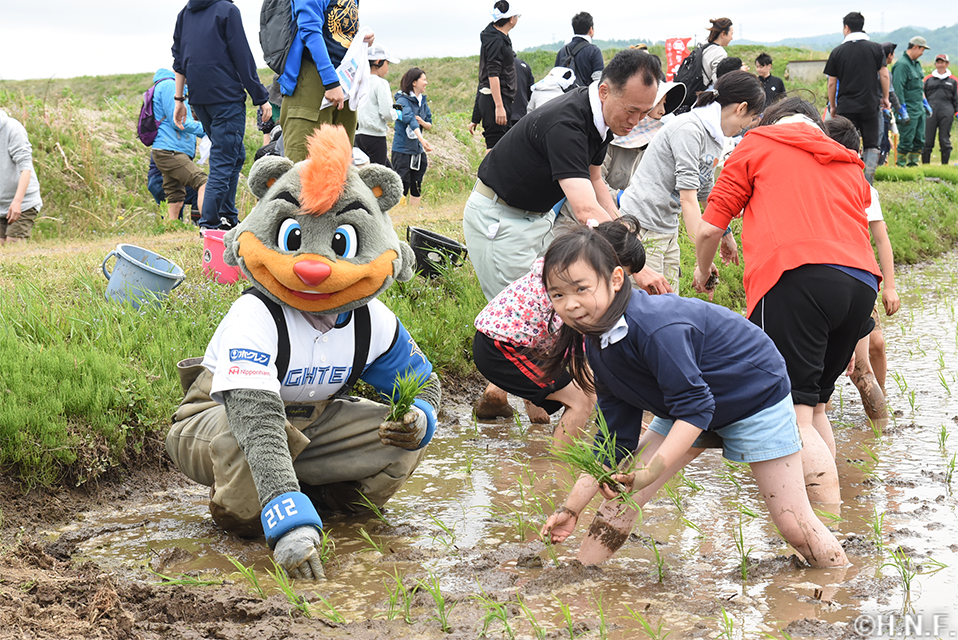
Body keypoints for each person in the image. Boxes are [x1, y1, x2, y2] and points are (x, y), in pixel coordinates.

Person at [166, 125, 441, 581]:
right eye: (295, 240)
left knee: (399, 434)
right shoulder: (255, 314)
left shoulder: (374, 319)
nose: (313, 267)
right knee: (249, 473)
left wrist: (420, 418)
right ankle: (267, 508)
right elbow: (256, 419)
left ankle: (326, 503)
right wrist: (286, 520)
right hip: (216, 420)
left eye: (339, 245)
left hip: (312, 420)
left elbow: (425, 383)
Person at [538, 227, 849, 569]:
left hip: (751, 393)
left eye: (581, 289)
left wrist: (649, 471)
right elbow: (613, 441)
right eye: (557, 295)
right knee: (622, 499)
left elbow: (696, 408)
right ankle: (580, 576)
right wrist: (570, 509)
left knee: (793, 524)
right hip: (689, 399)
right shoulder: (600, 343)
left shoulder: (656, 328)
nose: (570, 304)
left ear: (614, 279)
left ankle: (839, 581)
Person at [693, 96, 881, 506]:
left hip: (795, 278)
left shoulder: (755, 145)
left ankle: (823, 531)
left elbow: (710, 229)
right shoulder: (848, 160)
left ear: (772, 123)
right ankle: (836, 516)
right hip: (860, 283)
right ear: (817, 126)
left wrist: (700, 271)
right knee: (816, 409)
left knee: (793, 413)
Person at [461, 47, 670, 302]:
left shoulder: (601, 119)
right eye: (631, 110)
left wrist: (619, 226)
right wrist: (637, 267)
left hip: (539, 219)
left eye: (644, 112)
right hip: (502, 219)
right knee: (522, 316)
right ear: (604, 91)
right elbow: (585, 210)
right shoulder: (567, 124)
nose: (636, 120)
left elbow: (595, 182)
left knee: (555, 306)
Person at [473, 216, 646, 439]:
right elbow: (581, 360)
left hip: (513, 342)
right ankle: (561, 469)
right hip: (501, 348)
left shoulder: (565, 264)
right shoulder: (575, 290)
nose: (619, 288)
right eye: (619, 277)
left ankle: (539, 428)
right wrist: (621, 409)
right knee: (582, 401)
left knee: (582, 394)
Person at [617, 70, 764, 291]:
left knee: (669, 300)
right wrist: (701, 259)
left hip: (666, 227)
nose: (743, 128)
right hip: (642, 226)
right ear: (741, 108)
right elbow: (688, 199)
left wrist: (726, 234)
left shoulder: (714, 137)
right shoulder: (689, 129)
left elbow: (706, 192)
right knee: (649, 304)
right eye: (748, 120)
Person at [824, 116, 900, 423]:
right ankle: (825, 421)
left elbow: (881, 239)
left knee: (872, 352)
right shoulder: (811, 184)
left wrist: (890, 287)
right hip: (825, 279)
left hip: (858, 276)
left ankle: (879, 429)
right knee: (824, 362)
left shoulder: (862, 187)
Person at [172, 0, 272, 231]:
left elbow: (179, 62)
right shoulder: (227, 11)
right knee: (223, 161)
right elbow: (242, 56)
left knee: (235, 155)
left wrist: (180, 100)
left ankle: (227, 216)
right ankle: (209, 225)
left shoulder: (185, 13)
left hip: (200, 101)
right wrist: (260, 97)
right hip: (225, 98)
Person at [278, 0, 376, 162]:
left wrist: (362, 39)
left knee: (340, 169)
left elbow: (336, 33)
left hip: (345, 84)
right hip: (313, 79)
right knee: (302, 170)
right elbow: (309, 29)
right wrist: (330, 82)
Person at [823, 11, 890, 183]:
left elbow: (831, 83)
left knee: (844, 144)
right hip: (870, 106)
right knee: (871, 145)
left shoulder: (838, 51)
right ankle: (867, 184)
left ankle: (844, 181)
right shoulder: (876, 48)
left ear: (846, 28)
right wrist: (885, 98)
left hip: (846, 107)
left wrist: (833, 105)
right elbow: (884, 75)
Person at [150, 68, 207, 222]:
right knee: (204, 183)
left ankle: (170, 228)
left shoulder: (170, 86)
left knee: (175, 196)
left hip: (172, 148)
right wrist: (207, 130)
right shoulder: (169, 86)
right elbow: (178, 121)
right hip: (170, 150)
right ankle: (209, 226)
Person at [476, 1, 520, 150]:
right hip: (495, 98)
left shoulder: (496, 36)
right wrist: (499, 106)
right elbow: (492, 74)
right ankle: (487, 174)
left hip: (498, 97)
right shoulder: (496, 40)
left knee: (501, 145)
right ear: (511, 19)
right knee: (495, 146)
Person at [392, 68, 433, 208]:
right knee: (402, 182)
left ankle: (415, 212)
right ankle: (400, 213)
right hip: (402, 149)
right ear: (414, 82)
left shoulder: (423, 101)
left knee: (417, 181)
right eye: (424, 80)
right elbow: (409, 118)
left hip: (417, 150)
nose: (426, 83)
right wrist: (422, 139)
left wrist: (423, 123)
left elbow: (429, 124)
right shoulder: (400, 101)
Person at [0, 107, 42, 244]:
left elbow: (26, 168)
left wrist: (17, 202)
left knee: (13, 243)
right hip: (1, 202)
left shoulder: (13, 128)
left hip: (23, 202)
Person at [357, 44, 401, 167]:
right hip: (375, 137)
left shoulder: (359, 82)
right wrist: (397, 110)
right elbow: (387, 113)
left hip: (358, 136)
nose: (387, 68)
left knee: (370, 171)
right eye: (387, 63)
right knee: (379, 176)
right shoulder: (381, 83)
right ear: (378, 62)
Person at [892, 36, 930, 167]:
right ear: (915, 47)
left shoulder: (916, 64)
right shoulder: (902, 65)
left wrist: (925, 103)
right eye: (922, 50)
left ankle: (913, 165)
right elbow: (898, 89)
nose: (922, 53)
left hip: (919, 108)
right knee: (906, 140)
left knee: (920, 140)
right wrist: (901, 110)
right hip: (908, 109)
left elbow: (919, 87)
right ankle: (901, 166)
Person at [922, 54, 958, 165]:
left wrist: (957, 112)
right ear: (935, 64)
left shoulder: (953, 80)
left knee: (944, 140)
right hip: (930, 112)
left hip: (947, 111)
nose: (940, 64)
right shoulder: (928, 79)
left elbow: (957, 98)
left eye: (942, 62)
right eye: (938, 62)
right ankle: (925, 164)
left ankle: (945, 164)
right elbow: (922, 94)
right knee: (927, 140)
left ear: (947, 64)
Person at [555, 12, 604, 88]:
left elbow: (555, 79)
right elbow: (598, 81)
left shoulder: (562, 51)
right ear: (591, 30)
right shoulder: (594, 51)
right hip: (585, 97)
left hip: (565, 98)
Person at [878, 42, 904, 166]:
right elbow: (891, 94)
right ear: (889, 55)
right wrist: (900, 110)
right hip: (880, 110)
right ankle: (879, 164)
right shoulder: (885, 73)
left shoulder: (868, 68)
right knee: (882, 140)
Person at [701, 18, 734, 89]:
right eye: (731, 34)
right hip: (705, 94)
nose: (732, 38)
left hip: (694, 91)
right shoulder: (719, 52)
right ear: (723, 34)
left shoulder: (703, 48)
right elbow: (717, 80)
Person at [511, 57, 535, 125]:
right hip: (522, 115)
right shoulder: (523, 64)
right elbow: (531, 94)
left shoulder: (495, 65)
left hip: (500, 116)